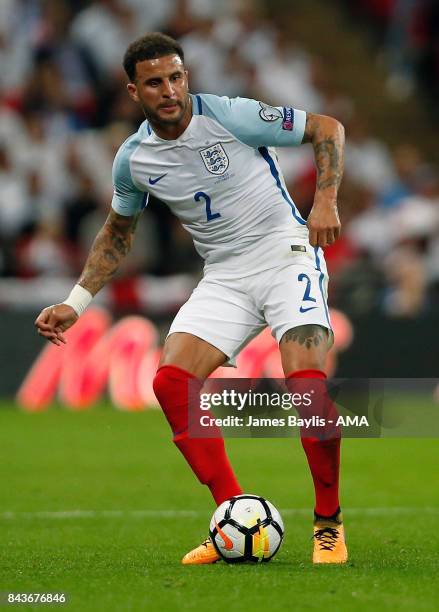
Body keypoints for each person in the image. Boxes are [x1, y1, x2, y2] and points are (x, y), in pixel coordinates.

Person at [35, 33, 347, 565]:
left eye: (176, 77)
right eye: (155, 82)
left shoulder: (230, 115)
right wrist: (76, 302)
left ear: (187, 77)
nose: (170, 89)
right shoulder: (134, 159)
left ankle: (328, 523)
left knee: (308, 395)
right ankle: (234, 516)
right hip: (225, 275)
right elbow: (116, 234)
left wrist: (324, 201)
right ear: (134, 91)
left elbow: (327, 128)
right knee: (171, 383)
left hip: (285, 252)